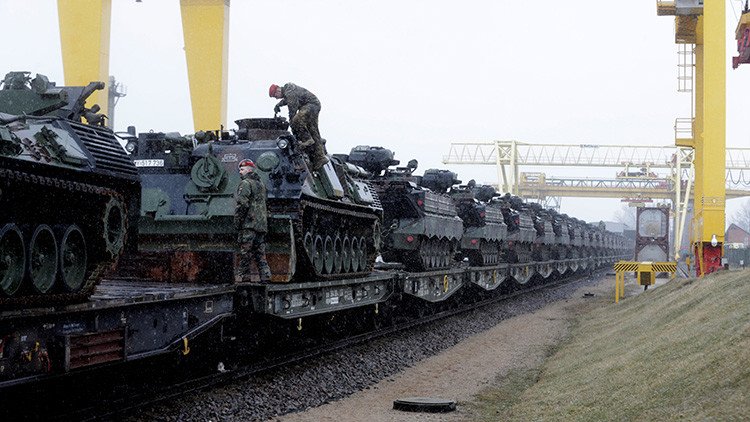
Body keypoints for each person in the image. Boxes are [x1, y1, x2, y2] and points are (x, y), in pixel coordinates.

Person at [269, 83, 329, 169]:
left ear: (278, 90)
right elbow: (287, 100)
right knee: (313, 131)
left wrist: (292, 123)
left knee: (296, 120)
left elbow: (292, 109)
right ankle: (320, 157)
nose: (276, 98)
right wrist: (278, 105)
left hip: (310, 105)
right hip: (313, 105)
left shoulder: (289, 91)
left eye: (275, 96)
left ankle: (307, 140)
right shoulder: (288, 92)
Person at [234, 159, 272, 283]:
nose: (240, 172)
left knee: (246, 251)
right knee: (260, 252)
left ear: (249, 170)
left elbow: (242, 204)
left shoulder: (245, 183)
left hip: (249, 223)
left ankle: (242, 277)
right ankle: (265, 276)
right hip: (261, 224)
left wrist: (238, 220)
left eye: (242, 169)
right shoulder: (261, 184)